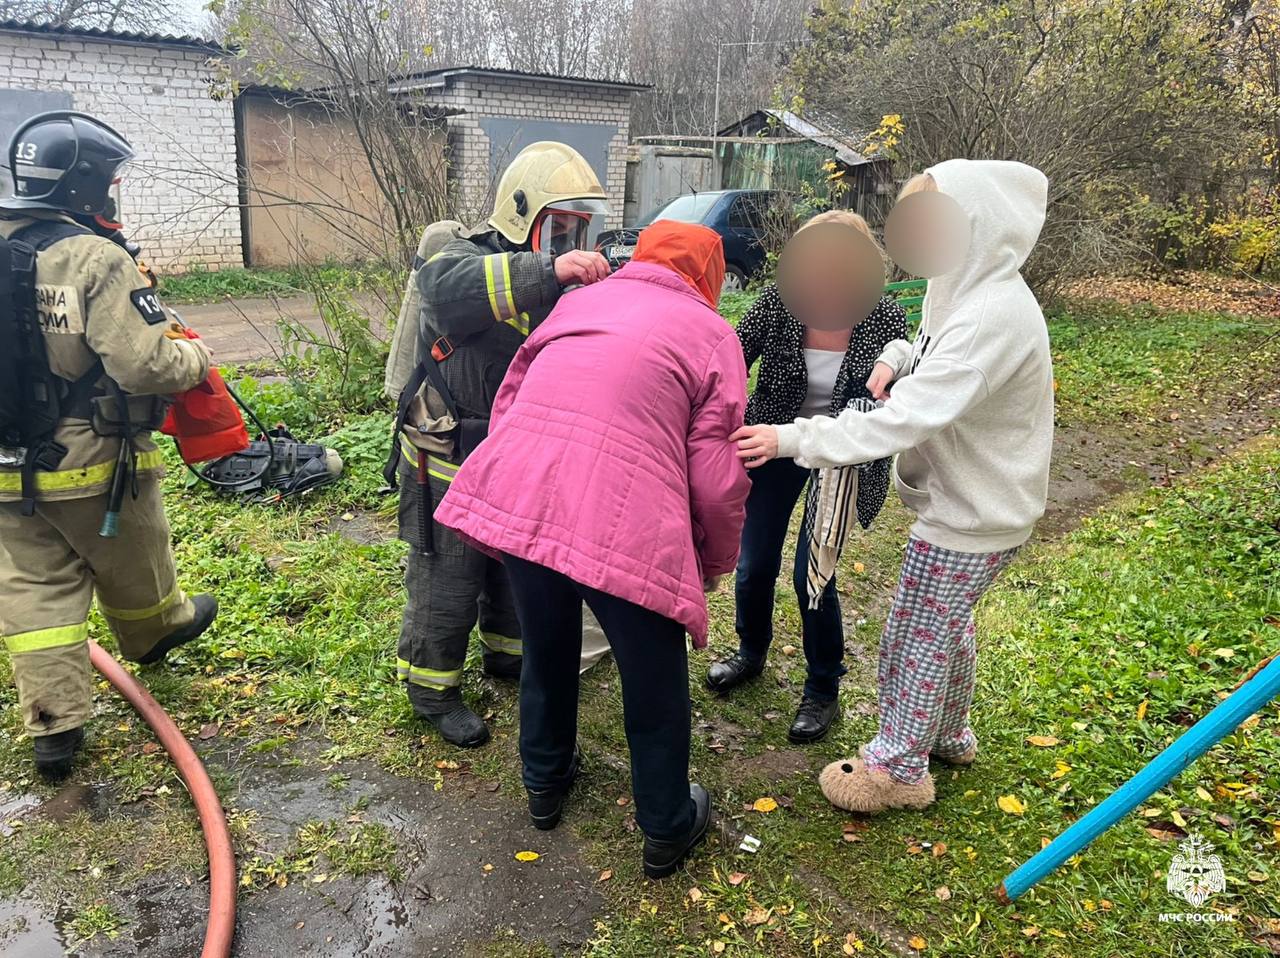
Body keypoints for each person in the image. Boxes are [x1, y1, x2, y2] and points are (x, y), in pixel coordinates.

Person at [733, 160, 1054, 813]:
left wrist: (793, 436)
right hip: (910, 482)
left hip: (955, 501)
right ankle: (948, 732)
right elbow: (925, 350)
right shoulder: (953, 288)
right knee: (944, 624)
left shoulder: (989, 311)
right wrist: (896, 360)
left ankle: (897, 767)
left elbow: (905, 416)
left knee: (912, 627)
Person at [434, 219, 750, 878]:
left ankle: (544, 785)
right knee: (653, 677)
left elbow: (511, 399)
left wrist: (529, 484)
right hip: (625, 520)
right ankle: (666, 824)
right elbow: (716, 476)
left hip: (528, 492)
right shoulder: (713, 334)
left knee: (547, 647)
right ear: (709, 280)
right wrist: (715, 563)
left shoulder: (579, 302)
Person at [0, 112, 218, 782]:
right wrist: (197, 358)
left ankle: (53, 731)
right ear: (87, 185)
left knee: (34, 592)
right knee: (135, 556)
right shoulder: (96, 258)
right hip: (90, 460)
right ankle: (156, 634)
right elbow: (144, 367)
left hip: (6, 467)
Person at [387, 142, 614, 748]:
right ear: (522, 214)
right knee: (449, 577)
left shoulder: (559, 281)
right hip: (447, 451)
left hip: (515, 453)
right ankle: (431, 691)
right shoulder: (463, 258)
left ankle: (508, 657)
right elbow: (442, 291)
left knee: (514, 567)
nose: (568, 240)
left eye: (577, 229)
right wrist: (552, 271)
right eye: (558, 225)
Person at [706, 211, 907, 745]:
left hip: (840, 452)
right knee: (752, 564)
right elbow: (729, 354)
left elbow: (890, 390)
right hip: (773, 441)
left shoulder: (881, 316)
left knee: (811, 574)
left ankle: (822, 687)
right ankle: (750, 652)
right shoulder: (779, 302)